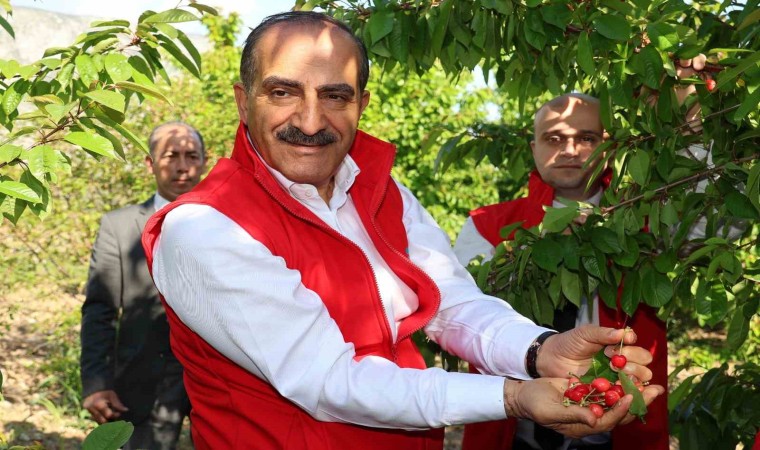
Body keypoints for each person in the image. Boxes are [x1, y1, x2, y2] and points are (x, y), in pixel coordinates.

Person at [140, 12, 664, 450]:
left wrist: (540, 349)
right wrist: (512, 396)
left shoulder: (381, 191)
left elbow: (451, 304)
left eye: (335, 96)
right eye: (283, 92)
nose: (310, 120)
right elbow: (328, 381)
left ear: (361, 104)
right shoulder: (205, 227)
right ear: (243, 100)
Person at [454, 79, 709, 450]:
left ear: (610, 145)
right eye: (554, 138)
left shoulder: (647, 219)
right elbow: (459, 317)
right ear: (534, 148)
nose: (570, 150)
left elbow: (710, 226)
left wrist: (691, 125)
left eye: (587, 138)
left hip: (620, 434)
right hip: (512, 436)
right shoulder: (488, 226)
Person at [80, 122, 206, 449]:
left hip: (216, 380)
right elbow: (100, 309)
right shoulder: (119, 227)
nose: (182, 166)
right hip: (142, 383)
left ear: (205, 162)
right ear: (150, 163)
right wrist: (96, 383)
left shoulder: (231, 224)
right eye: (171, 156)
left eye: (192, 156)